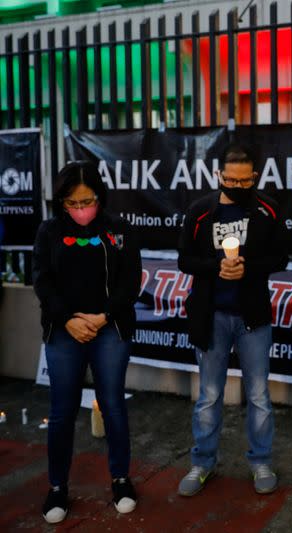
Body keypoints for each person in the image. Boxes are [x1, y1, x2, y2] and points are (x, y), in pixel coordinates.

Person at [32, 161, 141, 523]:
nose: (81, 209)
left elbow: (130, 281)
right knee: (62, 411)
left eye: (87, 201)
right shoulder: (49, 231)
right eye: (73, 203)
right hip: (65, 331)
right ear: (62, 201)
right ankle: (58, 487)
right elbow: (42, 281)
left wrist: (104, 316)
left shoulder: (118, 229)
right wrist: (67, 320)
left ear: (100, 196)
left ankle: (121, 479)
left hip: (109, 328)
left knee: (112, 405)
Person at [177, 144, 287, 497]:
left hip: (253, 317)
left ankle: (261, 461)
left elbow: (281, 258)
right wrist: (217, 268)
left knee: (258, 395)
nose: (239, 185)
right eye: (232, 179)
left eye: (246, 179)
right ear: (219, 176)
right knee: (209, 396)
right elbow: (184, 261)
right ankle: (202, 462)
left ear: (254, 176)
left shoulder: (267, 208)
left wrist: (247, 268)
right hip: (212, 317)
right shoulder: (198, 212)